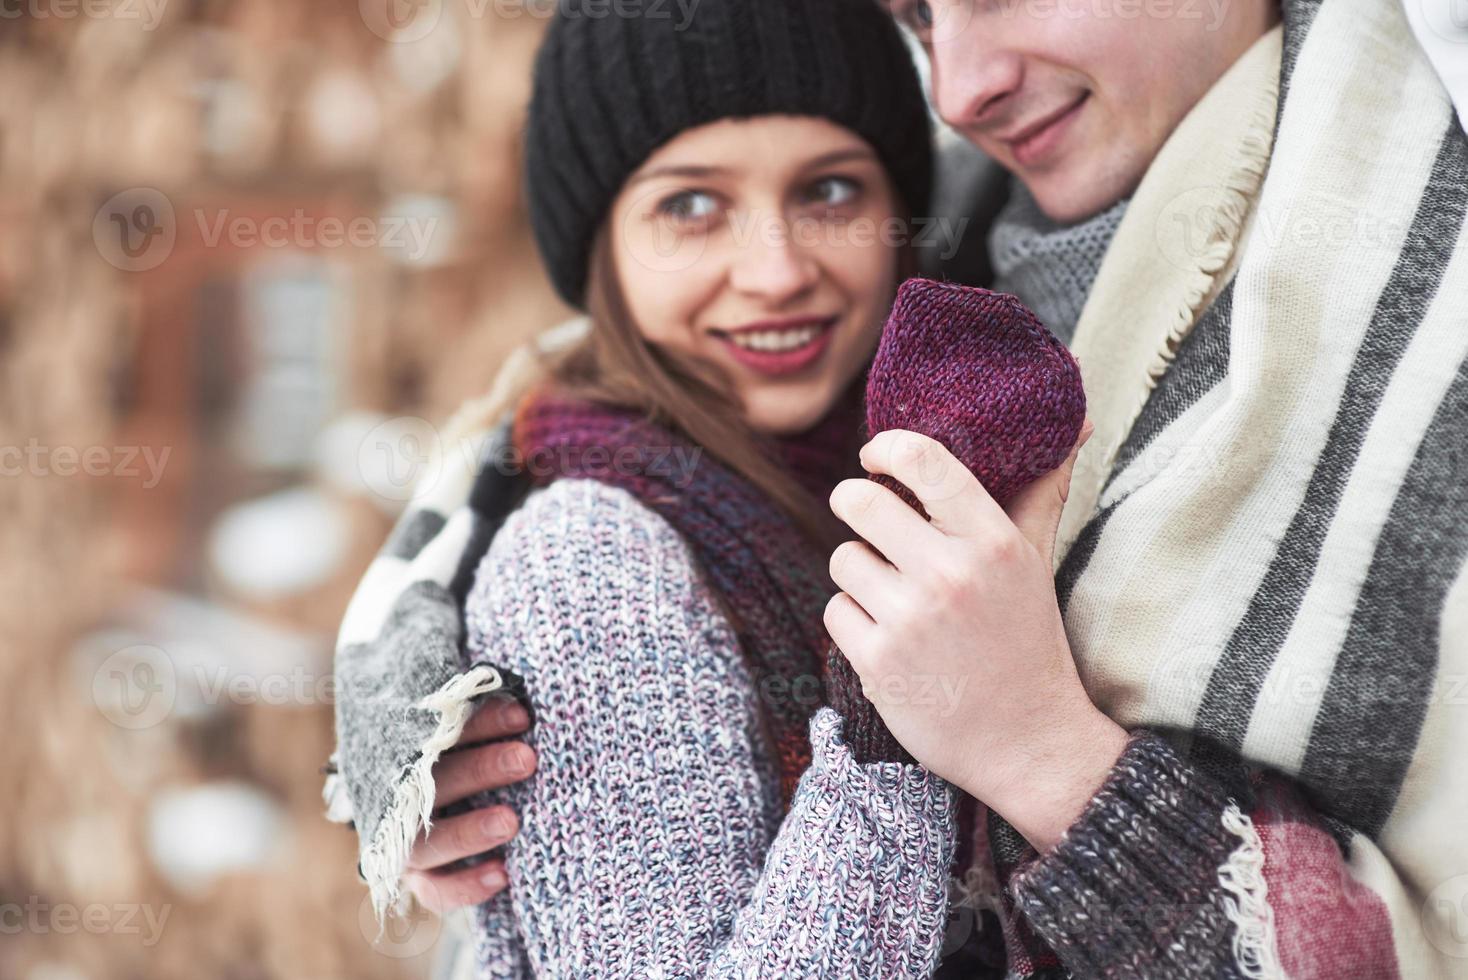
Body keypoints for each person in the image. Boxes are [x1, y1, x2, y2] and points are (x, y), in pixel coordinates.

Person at [332, 0, 1468, 974]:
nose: (775, 270)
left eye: (829, 190)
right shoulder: (590, 546)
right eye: (687, 205)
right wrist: (904, 735)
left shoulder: (950, 347)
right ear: (599, 254)